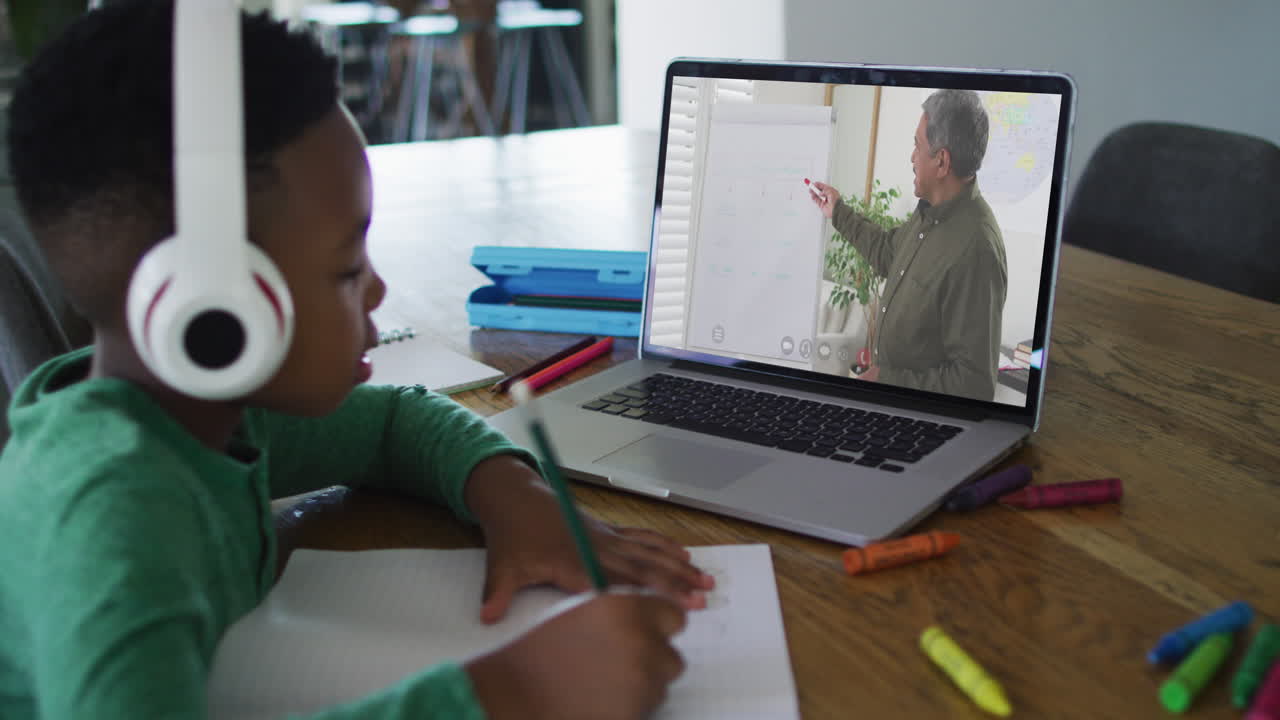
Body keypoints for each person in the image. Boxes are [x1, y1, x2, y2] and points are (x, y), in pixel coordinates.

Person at [0, 3, 711, 718]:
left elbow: (392, 422)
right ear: (214, 312)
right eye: (345, 269)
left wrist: (517, 501)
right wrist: (511, 693)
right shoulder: (114, 522)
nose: (377, 288)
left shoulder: (204, 418)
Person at [810, 89, 1007, 402]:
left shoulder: (976, 250)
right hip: (889, 406)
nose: (912, 157)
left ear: (942, 162)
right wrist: (838, 212)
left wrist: (888, 380)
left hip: (920, 422)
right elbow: (889, 252)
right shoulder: (929, 211)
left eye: (918, 146)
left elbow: (974, 385)